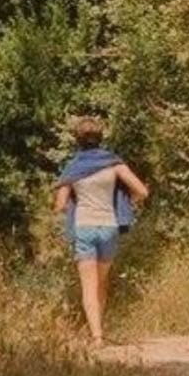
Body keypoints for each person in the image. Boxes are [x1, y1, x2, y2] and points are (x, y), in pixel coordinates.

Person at [54, 116, 149, 346]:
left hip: (84, 227)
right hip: (109, 227)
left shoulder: (73, 167)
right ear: (100, 137)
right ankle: (99, 330)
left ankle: (96, 337)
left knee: (89, 285)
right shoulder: (114, 163)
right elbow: (142, 192)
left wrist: (75, 199)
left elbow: (60, 204)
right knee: (101, 282)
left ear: (77, 139)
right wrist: (125, 200)